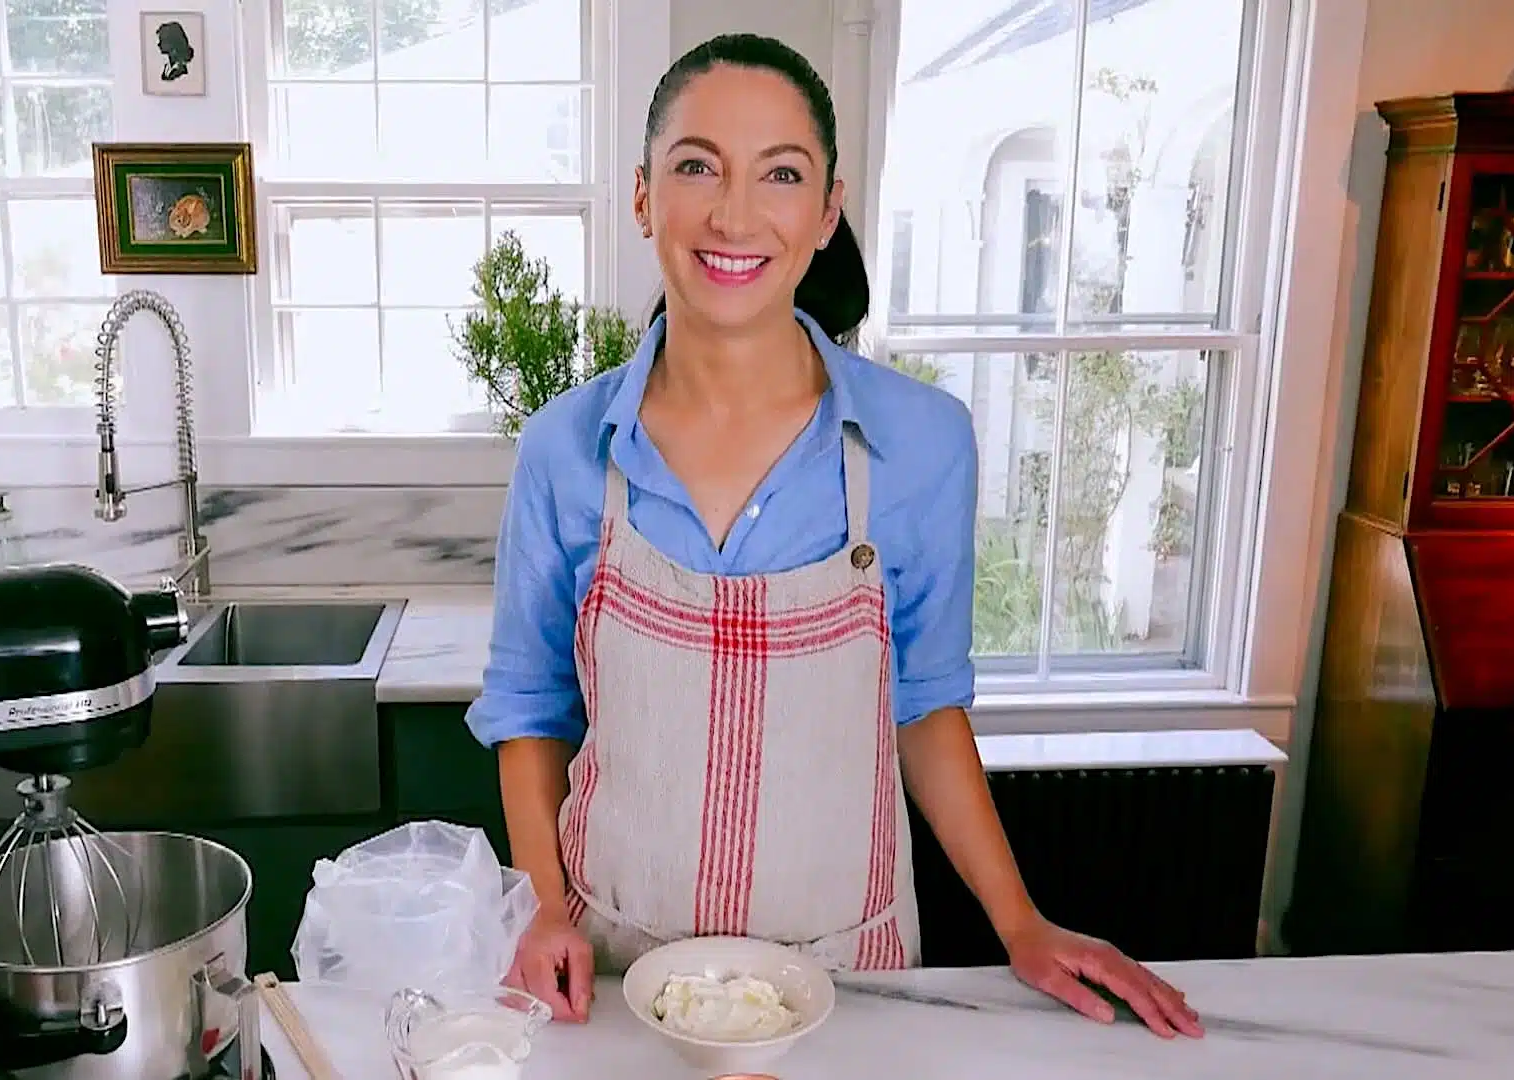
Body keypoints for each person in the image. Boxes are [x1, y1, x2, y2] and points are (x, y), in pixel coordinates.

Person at [463, 32, 1205, 1041]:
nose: (734, 213)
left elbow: (927, 707)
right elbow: (529, 710)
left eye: (780, 173)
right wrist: (545, 907)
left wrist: (1020, 922)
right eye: (696, 166)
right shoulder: (563, 450)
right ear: (643, 196)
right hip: (616, 975)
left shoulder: (923, 443)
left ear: (826, 211)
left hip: (849, 985)